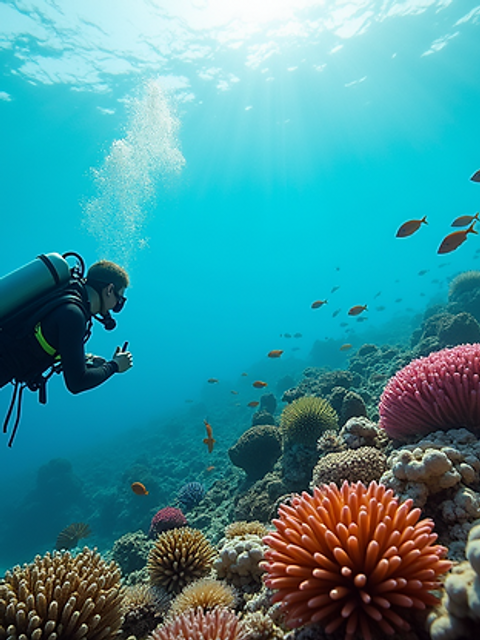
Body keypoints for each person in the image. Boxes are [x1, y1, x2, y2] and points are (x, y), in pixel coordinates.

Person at [0, 258, 133, 444]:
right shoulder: (73, 314)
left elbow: (44, 337)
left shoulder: (68, 299)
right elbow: (77, 383)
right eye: (119, 301)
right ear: (109, 290)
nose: (115, 308)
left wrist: (83, 359)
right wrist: (114, 366)